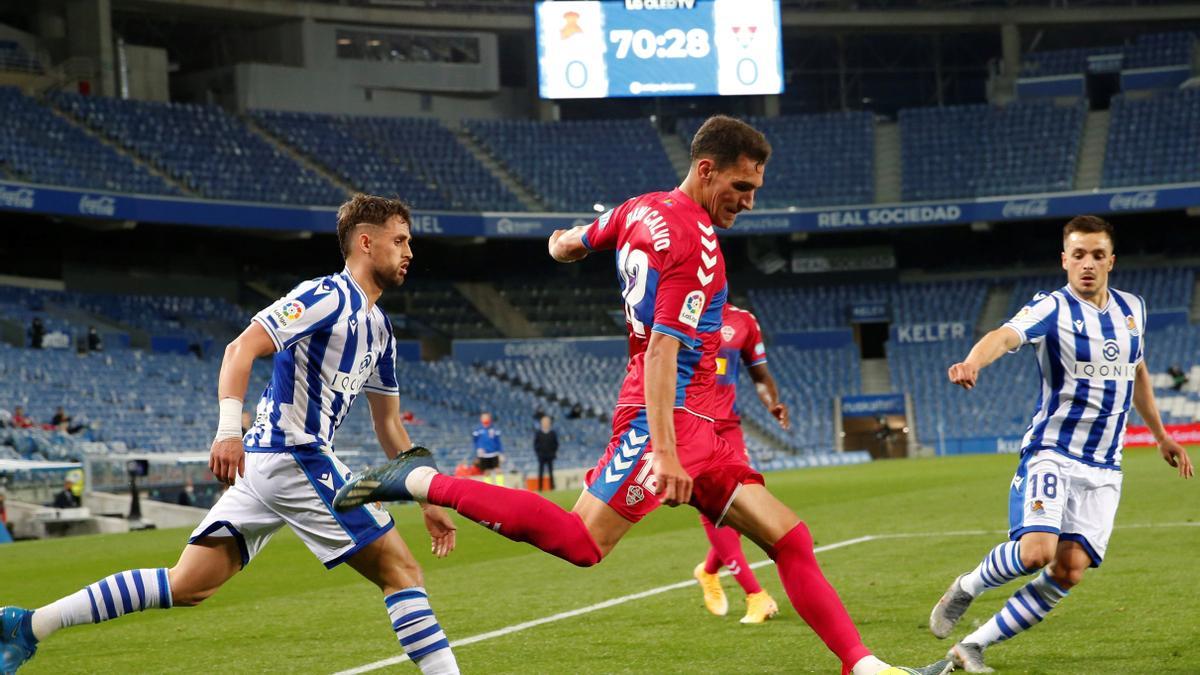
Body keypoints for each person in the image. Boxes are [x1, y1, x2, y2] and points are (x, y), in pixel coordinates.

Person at [335, 116, 948, 675]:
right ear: (706, 169)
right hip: (672, 417)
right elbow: (661, 352)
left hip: (701, 418)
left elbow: (570, 243)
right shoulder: (697, 248)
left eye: (755, 188)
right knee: (582, 544)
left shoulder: (639, 209)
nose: (749, 201)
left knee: (790, 539)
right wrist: (666, 451)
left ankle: (862, 666)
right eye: (740, 186)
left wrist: (560, 243)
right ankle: (418, 483)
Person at [0, 194, 461, 675]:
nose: (409, 252)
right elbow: (240, 349)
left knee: (188, 585)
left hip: (271, 464)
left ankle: (28, 626)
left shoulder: (381, 331)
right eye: (400, 240)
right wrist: (226, 432)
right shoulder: (326, 296)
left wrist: (427, 495)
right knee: (401, 572)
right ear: (366, 242)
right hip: (293, 455)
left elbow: (388, 423)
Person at [928, 216, 1194, 673]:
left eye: (1096, 255)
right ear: (1064, 260)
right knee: (1037, 552)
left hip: (1105, 466)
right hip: (1053, 450)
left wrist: (1162, 434)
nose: (1087, 264)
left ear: (1111, 260)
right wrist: (973, 361)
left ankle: (971, 646)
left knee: (1068, 571)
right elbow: (1005, 336)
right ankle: (967, 586)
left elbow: (1137, 371)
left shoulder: (1133, 309)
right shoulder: (1052, 307)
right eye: (1078, 255)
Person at [691, 304, 787, 625]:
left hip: (728, 426)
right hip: (691, 426)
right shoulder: (672, 309)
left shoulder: (743, 321)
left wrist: (772, 403)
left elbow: (759, 373)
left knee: (745, 503)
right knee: (713, 509)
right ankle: (755, 595)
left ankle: (708, 571)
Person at [472, 412, 504, 485]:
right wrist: (476, 453)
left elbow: (498, 442)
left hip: (494, 453)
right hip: (483, 455)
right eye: (484, 417)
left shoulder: (494, 429)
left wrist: (501, 453)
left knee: (498, 470)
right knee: (486, 472)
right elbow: (475, 442)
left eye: (487, 417)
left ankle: (500, 487)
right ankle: (489, 489)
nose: (485, 419)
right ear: (481, 418)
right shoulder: (477, 430)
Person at [533, 415, 558, 491]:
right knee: (540, 472)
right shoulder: (538, 433)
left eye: (547, 422)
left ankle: (552, 487)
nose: (545, 423)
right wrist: (538, 453)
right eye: (544, 422)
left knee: (551, 472)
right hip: (541, 456)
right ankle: (540, 487)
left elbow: (556, 444)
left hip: (550, 455)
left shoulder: (552, 433)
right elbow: (535, 444)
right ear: (541, 423)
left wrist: (553, 452)